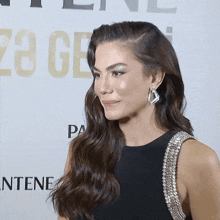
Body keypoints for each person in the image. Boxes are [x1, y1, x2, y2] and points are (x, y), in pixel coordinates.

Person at [49, 21, 220, 220]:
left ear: (155, 77)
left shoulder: (195, 160)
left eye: (117, 72)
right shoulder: (83, 150)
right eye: (97, 74)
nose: (102, 87)